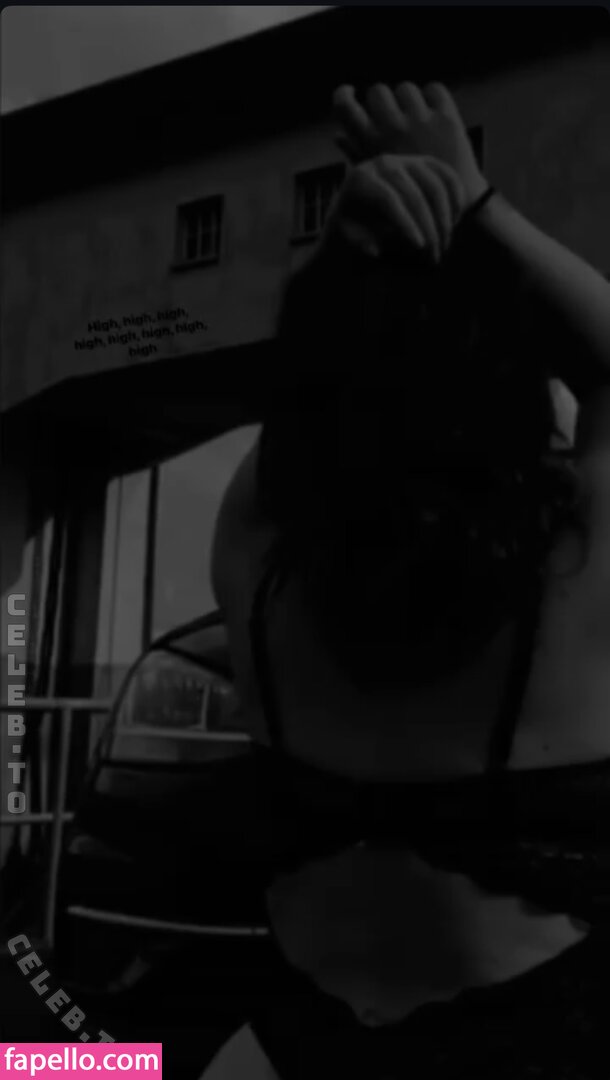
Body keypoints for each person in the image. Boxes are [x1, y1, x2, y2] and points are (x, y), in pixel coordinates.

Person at [203, 82, 610, 1079]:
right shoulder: (578, 580)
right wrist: (476, 202)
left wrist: (348, 249)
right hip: (541, 1043)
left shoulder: (258, 563)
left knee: (61, 1059)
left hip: (308, 1038)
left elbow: (307, 393)